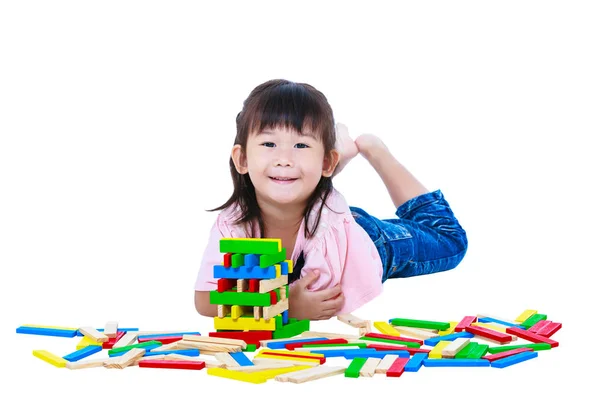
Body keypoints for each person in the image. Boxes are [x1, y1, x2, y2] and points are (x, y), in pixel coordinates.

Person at [194, 79, 468, 321]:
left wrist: (286, 305)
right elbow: (205, 300)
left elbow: (324, 301)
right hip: (321, 206)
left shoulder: (327, 232)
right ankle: (338, 147)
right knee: (300, 178)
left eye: (301, 145)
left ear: (326, 162)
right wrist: (286, 302)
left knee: (450, 241)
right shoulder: (232, 222)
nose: (284, 159)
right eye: (269, 144)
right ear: (242, 159)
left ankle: (375, 151)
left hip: (371, 240)